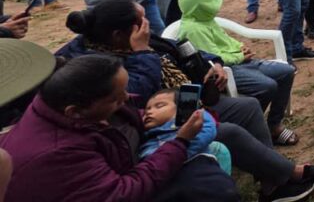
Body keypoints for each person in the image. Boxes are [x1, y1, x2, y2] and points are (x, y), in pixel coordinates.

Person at [55, 0, 314, 200]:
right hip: (153, 124)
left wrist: (214, 64)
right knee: (229, 131)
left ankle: (271, 181)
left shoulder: (134, 38)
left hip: (188, 100)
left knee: (248, 107)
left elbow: (182, 48)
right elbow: (134, 95)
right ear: (118, 34)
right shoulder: (92, 63)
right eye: (140, 21)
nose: (148, 25)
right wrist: (142, 52)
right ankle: (292, 174)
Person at [0, 54, 239, 202]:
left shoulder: (70, 107)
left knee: (218, 146)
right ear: (75, 111)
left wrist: (182, 122)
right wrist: (179, 142)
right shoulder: (57, 153)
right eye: (116, 97)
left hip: (129, 169)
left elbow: (136, 117)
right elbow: (124, 193)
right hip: (123, 188)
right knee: (211, 187)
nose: (127, 98)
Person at [176, 0, 299, 148]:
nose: (216, 7)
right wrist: (239, 56)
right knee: (267, 86)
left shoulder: (205, 18)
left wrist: (240, 47)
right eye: (211, 3)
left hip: (242, 62)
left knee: (286, 71)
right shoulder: (193, 29)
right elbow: (214, 58)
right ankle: (251, 127)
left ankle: (274, 125)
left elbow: (226, 41)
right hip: (229, 70)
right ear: (199, 6)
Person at [139, 89, 231, 174]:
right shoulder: (148, 137)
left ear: (180, 108)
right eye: (147, 109)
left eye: (159, 106)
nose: (149, 112)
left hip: (200, 167)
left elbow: (207, 128)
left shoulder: (190, 122)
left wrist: (181, 153)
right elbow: (148, 159)